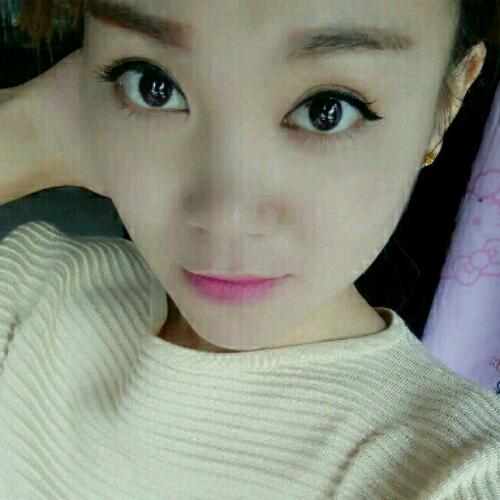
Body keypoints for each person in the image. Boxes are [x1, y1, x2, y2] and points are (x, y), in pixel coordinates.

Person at [0, 0, 498, 497]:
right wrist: (32, 130)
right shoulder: (35, 293)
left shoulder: (459, 475)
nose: (226, 218)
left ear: (447, 100)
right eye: (154, 85)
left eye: (326, 110)